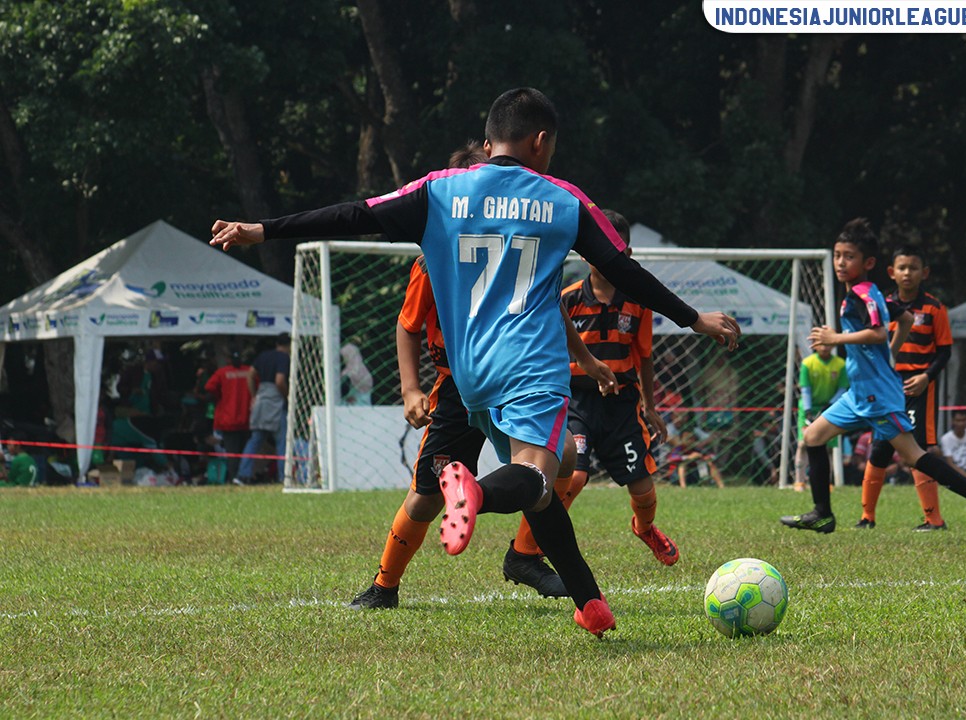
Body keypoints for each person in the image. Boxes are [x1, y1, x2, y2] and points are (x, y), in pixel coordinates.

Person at [210, 87, 741, 637]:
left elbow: (354, 214)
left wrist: (265, 229)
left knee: (549, 470)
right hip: (531, 366)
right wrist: (692, 317)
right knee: (537, 477)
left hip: (468, 374)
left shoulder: (440, 190)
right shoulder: (564, 200)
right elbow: (624, 270)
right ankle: (474, 492)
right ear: (541, 142)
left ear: (489, 144)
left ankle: (589, 602)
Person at [350, 143, 618, 608]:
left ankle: (525, 556)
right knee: (427, 497)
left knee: (565, 460)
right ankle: (384, 585)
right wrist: (410, 388)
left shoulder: (520, 245)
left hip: (513, 376)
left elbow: (551, 308)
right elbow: (408, 324)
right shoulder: (434, 260)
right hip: (459, 387)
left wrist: (588, 360)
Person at [780, 218, 966, 541]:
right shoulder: (870, 294)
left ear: (868, 263)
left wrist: (835, 338)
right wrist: (891, 356)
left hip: (877, 395)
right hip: (859, 392)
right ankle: (822, 514)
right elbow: (906, 318)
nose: (840, 262)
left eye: (849, 256)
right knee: (813, 436)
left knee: (913, 456)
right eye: (838, 255)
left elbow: (878, 332)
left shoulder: (862, 295)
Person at [526, 208, 683, 565]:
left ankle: (644, 528)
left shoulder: (638, 302)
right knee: (574, 476)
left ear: (628, 254)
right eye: (600, 250)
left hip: (622, 405)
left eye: (617, 251)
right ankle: (535, 543)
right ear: (586, 254)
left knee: (643, 488)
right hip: (577, 402)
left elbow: (645, 356)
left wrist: (650, 407)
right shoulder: (567, 299)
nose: (608, 258)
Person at [855, 246, 955, 531]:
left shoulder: (935, 308)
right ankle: (867, 518)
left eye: (913, 267)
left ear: (924, 273)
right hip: (888, 388)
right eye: (902, 268)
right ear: (892, 272)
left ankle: (934, 520)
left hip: (920, 389)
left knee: (918, 451)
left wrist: (926, 377)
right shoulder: (882, 305)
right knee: (880, 449)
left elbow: (945, 352)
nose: (907, 273)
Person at [793, 345, 848, 492]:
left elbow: (842, 389)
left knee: (828, 447)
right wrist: (808, 411)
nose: (824, 347)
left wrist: (830, 405)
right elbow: (805, 389)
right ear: (815, 345)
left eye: (827, 343)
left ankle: (826, 482)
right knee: (802, 444)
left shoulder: (840, 364)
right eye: (821, 343)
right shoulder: (808, 363)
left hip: (831, 408)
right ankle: (799, 481)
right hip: (809, 408)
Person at [238, 334, 290, 483]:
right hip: (276, 402)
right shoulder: (284, 358)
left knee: (255, 440)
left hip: (261, 399)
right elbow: (279, 381)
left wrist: (254, 395)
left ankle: (243, 475)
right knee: (282, 442)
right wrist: (288, 397)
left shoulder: (264, 356)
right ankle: (283, 477)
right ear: (289, 345)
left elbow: (250, 375)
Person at [203, 349, 253, 486]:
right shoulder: (249, 371)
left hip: (228, 420)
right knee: (246, 451)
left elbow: (209, 388)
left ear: (228, 359)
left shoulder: (222, 373)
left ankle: (234, 478)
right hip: (247, 418)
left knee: (232, 452)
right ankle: (244, 477)